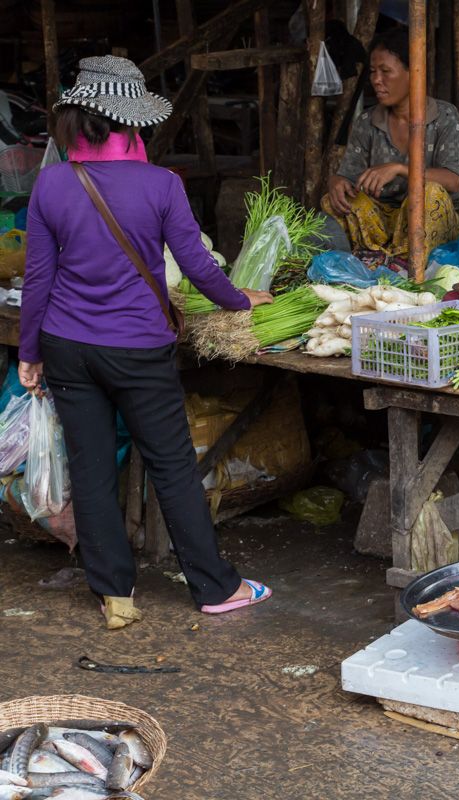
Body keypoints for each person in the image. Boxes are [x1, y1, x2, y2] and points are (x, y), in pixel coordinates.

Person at [17, 56, 274, 630]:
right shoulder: (161, 184)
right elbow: (198, 269)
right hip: (138, 348)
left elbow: (39, 279)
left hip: (66, 345)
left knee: (90, 468)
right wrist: (239, 300)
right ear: (130, 123)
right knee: (173, 467)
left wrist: (29, 353)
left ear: (76, 122)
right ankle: (216, 587)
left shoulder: (53, 182)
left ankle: (115, 595)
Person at [322, 29, 459, 258]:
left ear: (413, 73)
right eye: (373, 72)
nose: (376, 80)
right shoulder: (367, 121)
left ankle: (406, 263)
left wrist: (399, 169)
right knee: (332, 202)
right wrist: (336, 182)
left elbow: (453, 181)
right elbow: (348, 177)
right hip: (382, 224)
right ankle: (384, 259)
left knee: (429, 193)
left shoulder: (444, 116)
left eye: (386, 71)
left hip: (431, 221)